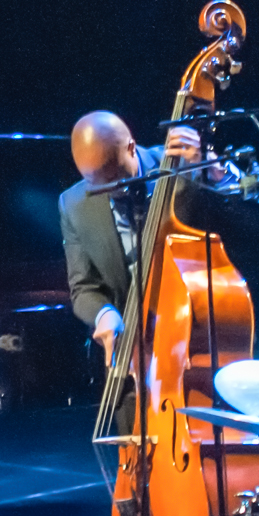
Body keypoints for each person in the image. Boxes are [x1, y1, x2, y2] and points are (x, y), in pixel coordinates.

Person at [59, 111, 202, 363]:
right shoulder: (73, 204)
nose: (109, 190)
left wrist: (213, 173)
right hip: (135, 356)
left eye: (114, 177)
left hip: (196, 343)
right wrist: (103, 313)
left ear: (131, 148)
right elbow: (83, 288)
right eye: (95, 183)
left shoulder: (184, 166)